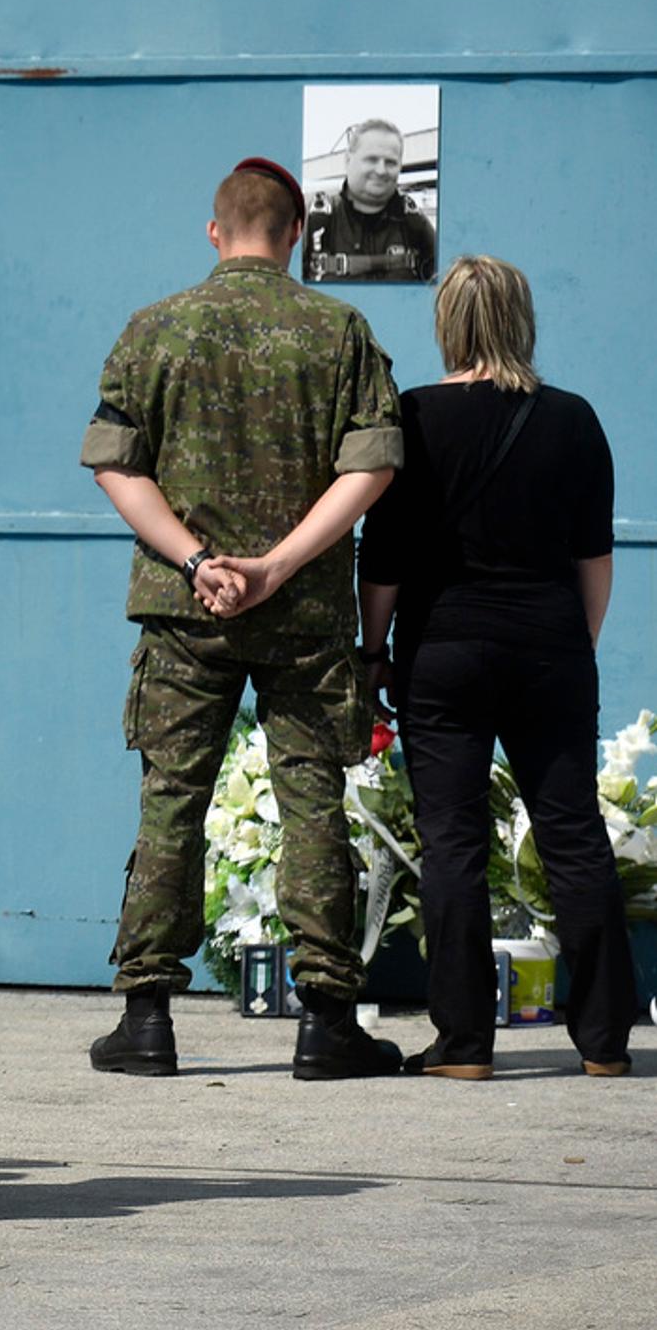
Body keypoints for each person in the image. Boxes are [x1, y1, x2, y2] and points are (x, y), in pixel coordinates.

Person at [82, 157, 405, 1080]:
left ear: (215, 231)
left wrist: (194, 560)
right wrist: (274, 567)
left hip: (185, 611)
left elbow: (115, 466)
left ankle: (146, 1018)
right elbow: (371, 469)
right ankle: (327, 1020)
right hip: (300, 611)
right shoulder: (338, 329)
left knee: (171, 801)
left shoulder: (154, 330)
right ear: (298, 232)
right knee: (311, 803)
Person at [358, 256, 634, 1079]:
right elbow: (594, 558)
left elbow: (386, 558)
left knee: (451, 843)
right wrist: (569, 648)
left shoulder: (412, 418)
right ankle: (604, 1042)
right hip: (548, 646)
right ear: (521, 321)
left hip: (443, 650)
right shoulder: (572, 419)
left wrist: (374, 649)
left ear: (447, 324)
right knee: (572, 833)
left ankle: (465, 1043)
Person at [305, 119, 435, 283]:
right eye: (371, 160)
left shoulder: (414, 223)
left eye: (390, 162)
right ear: (347, 160)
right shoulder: (314, 221)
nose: (381, 170)